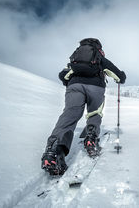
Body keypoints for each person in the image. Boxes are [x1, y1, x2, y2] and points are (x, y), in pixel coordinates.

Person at [41, 38, 126, 176]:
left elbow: (63, 75)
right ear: (99, 48)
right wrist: (121, 77)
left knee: (69, 116)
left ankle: (53, 151)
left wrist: (72, 81)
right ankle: (91, 139)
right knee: (95, 113)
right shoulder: (100, 58)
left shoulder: (75, 58)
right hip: (96, 87)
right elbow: (118, 75)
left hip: (75, 86)